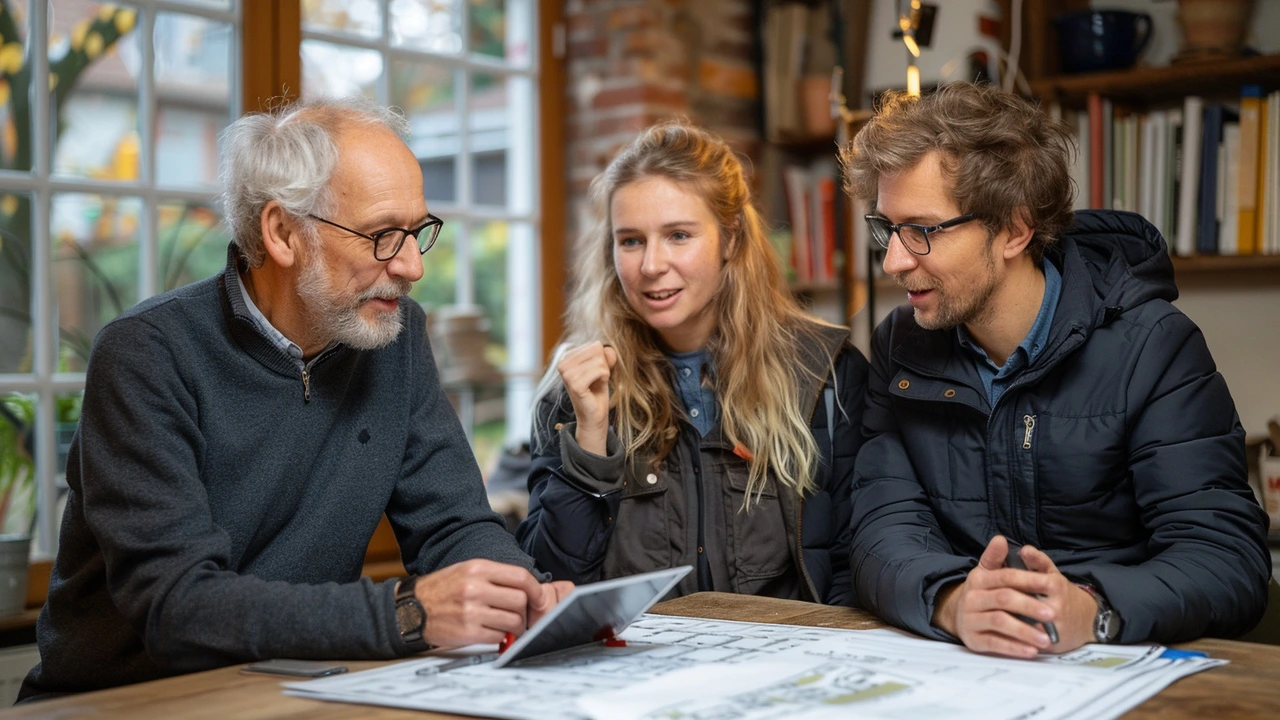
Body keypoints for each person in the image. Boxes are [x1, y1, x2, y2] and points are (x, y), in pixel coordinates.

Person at [19, 97, 570, 701]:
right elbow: (178, 605)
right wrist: (406, 614)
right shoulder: (146, 354)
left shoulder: (395, 336)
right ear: (283, 233)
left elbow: (454, 524)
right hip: (126, 703)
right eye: (385, 235)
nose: (412, 266)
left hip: (294, 688)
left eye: (417, 232)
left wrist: (524, 592)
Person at [841, 82, 1270, 658]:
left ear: (1015, 230)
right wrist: (953, 600)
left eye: (921, 231)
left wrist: (1092, 609)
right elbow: (879, 532)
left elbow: (1226, 560)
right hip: (969, 670)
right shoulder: (902, 345)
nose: (894, 260)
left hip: (1120, 664)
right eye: (887, 229)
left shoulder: (1154, 347)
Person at [516, 121, 868, 605]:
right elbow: (549, 584)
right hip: (639, 672)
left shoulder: (825, 375)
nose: (651, 265)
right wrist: (591, 442)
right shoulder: (574, 391)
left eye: (678, 235)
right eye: (631, 240)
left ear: (732, 239)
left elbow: (856, 562)